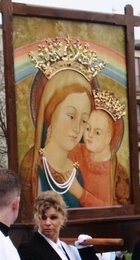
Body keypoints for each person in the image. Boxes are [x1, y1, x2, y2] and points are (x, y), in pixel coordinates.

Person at [18, 69, 94, 218]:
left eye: (84, 120)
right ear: (50, 113)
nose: (77, 128)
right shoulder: (32, 167)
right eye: (71, 116)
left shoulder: (77, 172)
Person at [67, 90, 131, 207]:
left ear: (108, 138)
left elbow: (113, 212)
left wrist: (80, 193)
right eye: (87, 129)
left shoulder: (119, 175)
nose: (89, 135)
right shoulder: (75, 152)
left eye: (97, 132)